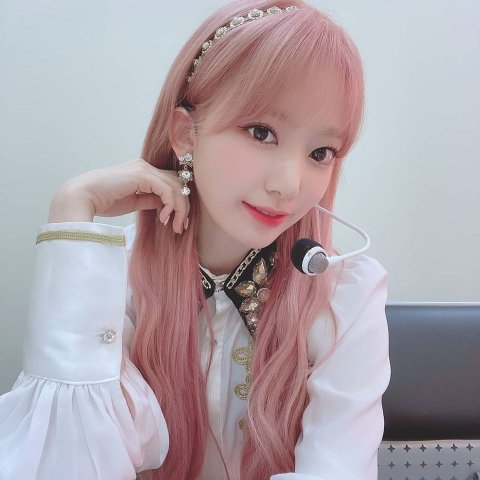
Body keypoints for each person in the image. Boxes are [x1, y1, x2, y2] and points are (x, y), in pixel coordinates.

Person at [0, 1, 391, 479]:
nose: (289, 185)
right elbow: (67, 461)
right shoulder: (111, 280)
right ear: (186, 134)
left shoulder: (345, 295)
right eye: (262, 132)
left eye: (321, 152)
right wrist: (72, 211)